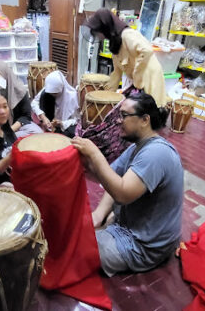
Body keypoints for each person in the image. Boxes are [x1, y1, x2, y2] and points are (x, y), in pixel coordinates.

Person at [72, 93, 184, 277]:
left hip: (145, 246)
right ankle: (108, 223)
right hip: (131, 227)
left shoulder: (156, 153)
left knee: (74, 247)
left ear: (144, 120)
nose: (118, 121)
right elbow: (113, 177)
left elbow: (122, 194)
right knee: (80, 232)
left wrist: (95, 154)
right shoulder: (137, 147)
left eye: (124, 115)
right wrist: (98, 215)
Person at [84, 8, 168, 108]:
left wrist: (137, 74)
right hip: (139, 81)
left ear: (105, 27)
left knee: (149, 113)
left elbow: (147, 50)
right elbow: (117, 72)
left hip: (149, 76)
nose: (98, 36)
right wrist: (108, 94)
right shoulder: (114, 43)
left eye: (98, 32)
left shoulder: (127, 34)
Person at [0, 62, 43, 138]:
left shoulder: (20, 90)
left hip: (16, 125)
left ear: (5, 75)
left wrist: (9, 131)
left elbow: (26, 116)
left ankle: (5, 139)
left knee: (37, 132)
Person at [31, 70, 80, 138]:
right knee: (44, 95)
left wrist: (62, 123)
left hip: (64, 125)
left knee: (72, 132)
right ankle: (47, 126)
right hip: (50, 120)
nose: (53, 95)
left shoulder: (72, 97)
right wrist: (43, 117)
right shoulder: (48, 90)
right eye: (51, 93)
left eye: (56, 93)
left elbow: (76, 120)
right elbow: (34, 103)